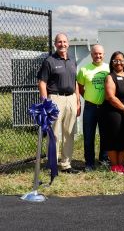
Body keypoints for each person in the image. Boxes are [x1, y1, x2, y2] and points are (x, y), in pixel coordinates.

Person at [37, 33, 81, 174]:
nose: (62, 44)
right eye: (59, 42)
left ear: (68, 44)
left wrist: (78, 101)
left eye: (64, 42)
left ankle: (66, 164)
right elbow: (42, 83)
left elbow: (75, 83)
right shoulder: (49, 61)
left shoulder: (72, 61)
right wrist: (45, 103)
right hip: (55, 99)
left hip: (71, 99)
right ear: (55, 44)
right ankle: (52, 164)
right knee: (54, 133)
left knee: (69, 133)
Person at [101, 51, 124, 174]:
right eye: (115, 60)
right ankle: (114, 165)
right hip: (113, 112)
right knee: (113, 138)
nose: (118, 63)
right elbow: (111, 97)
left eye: (121, 60)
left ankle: (121, 165)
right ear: (112, 63)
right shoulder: (109, 77)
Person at [77, 44, 110, 172]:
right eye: (95, 54)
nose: (98, 56)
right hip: (90, 107)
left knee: (105, 135)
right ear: (91, 55)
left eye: (100, 54)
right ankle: (89, 163)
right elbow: (79, 88)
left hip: (105, 107)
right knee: (89, 135)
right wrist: (88, 97)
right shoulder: (84, 70)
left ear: (103, 54)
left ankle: (104, 160)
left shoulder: (108, 69)